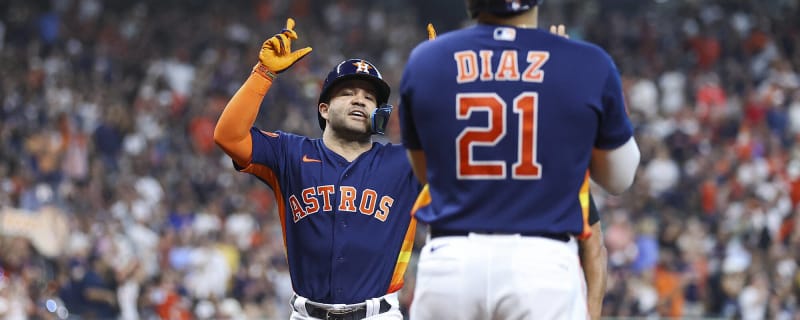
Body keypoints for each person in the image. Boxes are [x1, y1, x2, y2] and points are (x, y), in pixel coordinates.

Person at [399, 0, 640, 319]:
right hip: (541, 266)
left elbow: (427, 173)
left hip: (451, 262)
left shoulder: (426, 59)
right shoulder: (586, 63)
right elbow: (619, 178)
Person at [213, 18, 421, 320]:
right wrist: (264, 73)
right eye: (348, 92)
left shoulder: (405, 161)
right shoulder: (290, 152)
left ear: (380, 114)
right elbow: (228, 136)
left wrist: (440, 84)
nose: (360, 100)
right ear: (324, 108)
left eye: (369, 97)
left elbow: (455, 146)